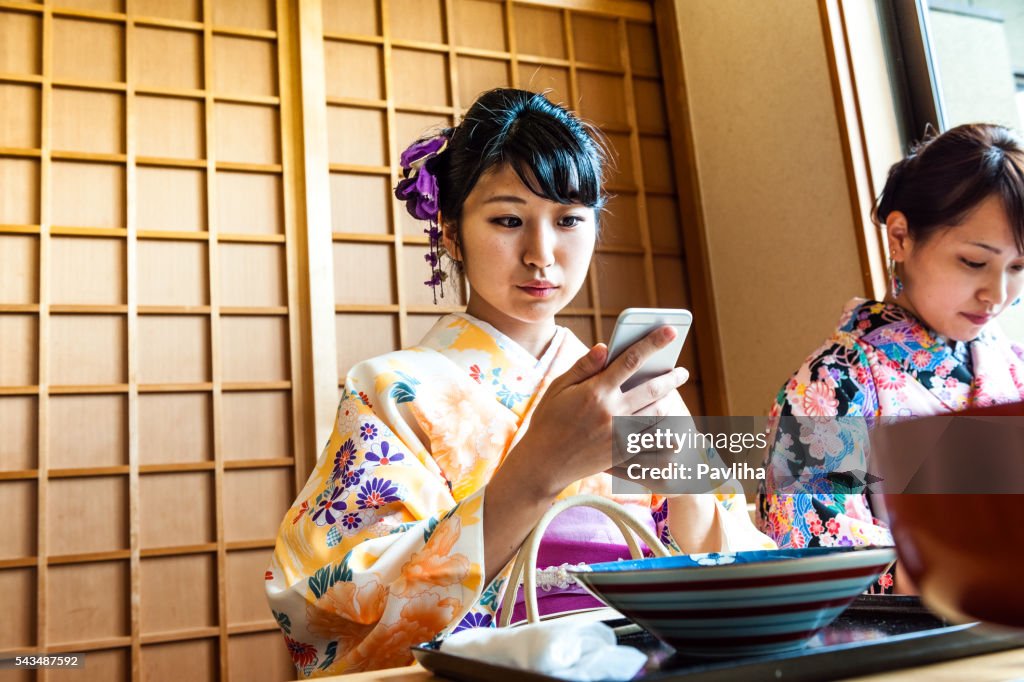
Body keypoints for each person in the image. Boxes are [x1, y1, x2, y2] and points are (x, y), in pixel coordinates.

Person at [265, 88, 774, 677]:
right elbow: (331, 599)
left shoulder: (629, 388)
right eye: (508, 220)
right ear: (451, 234)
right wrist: (537, 472)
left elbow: (726, 560)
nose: (541, 254)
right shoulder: (388, 391)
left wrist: (687, 476)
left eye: (568, 220)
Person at [757, 123, 1024, 592]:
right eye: (974, 262)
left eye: (1019, 268)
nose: (996, 295)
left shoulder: (1013, 363)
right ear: (900, 236)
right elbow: (814, 548)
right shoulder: (832, 383)